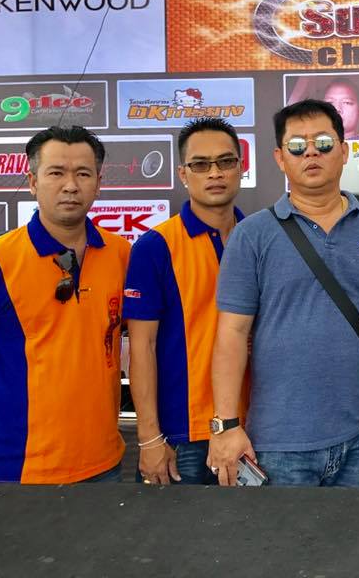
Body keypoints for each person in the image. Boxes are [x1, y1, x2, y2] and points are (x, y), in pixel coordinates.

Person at [206, 99, 359, 486]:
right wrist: (226, 425)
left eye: (323, 143)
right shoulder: (252, 235)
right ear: (280, 158)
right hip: (279, 443)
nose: (311, 153)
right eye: (297, 146)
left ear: (344, 151)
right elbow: (232, 333)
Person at [0, 126, 130, 483]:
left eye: (83, 173)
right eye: (56, 172)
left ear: (98, 183)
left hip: (103, 463)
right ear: (32, 182)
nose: (70, 185)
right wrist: (11, 399)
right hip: (13, 467)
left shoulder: (121, 254)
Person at [123, 118, 246, 485]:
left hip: (252, 428)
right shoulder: (155, 247)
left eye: (225, 161)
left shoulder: (259, 239)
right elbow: (141, 347)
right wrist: (149, 437)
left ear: (241, 167)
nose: (215, 173)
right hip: (183, 435)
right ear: (183, 173)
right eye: (200, 164)